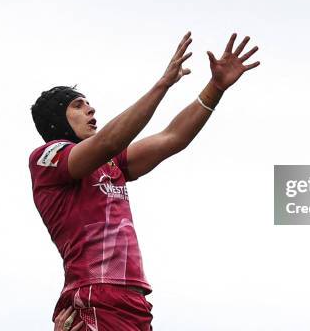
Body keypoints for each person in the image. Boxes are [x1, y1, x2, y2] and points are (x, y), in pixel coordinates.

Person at [29, 32, 260, 330]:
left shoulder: (112, 163)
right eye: (77, 105)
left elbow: (171, 137)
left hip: (133, 300)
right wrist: (163, 84)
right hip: (96, 292)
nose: (90, 109)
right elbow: (109, 141)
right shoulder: (47, 158)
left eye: (87, 103)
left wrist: (215, 88)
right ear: (56, 121)